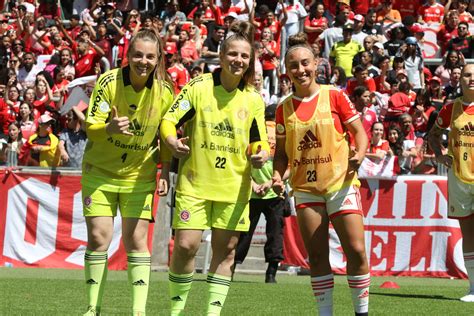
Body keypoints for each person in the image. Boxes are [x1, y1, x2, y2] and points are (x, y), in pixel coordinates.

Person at [160, 21, 269, 316]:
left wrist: (259, 155)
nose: (239, 61)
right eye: (233, 54)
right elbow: (169, 120)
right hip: (194, 185)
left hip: (234, 188)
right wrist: (171, 140)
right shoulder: (199, 88)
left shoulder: (253, 99)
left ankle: (212, 313)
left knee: (227, 251)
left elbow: (259, 142)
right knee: (185, 246)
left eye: (245, 57)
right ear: (221, 57)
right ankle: (176, 310)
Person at [272, 33, 370, 316]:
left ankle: (361, 312)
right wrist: (279, 176)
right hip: (305, 188)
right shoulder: (283, 108)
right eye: (294, 66)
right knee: (316, 256)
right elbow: (281, 153)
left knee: (356, 251)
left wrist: (360, 154)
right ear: (286, 70)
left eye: (305, 63)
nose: (300, 70)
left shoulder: (335, 95)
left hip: (341, 184)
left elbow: (360, 134)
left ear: (316, 64)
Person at [81, 29, 174, 315]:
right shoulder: (109, 82)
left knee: (135, 240)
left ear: (158, 59)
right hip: (100, 172)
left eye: (149, 56)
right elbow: (90, 127)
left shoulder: (166, 91)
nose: (143, 61)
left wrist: (166, 171)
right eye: (137, 55)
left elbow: (165, 134)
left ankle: (138, 311)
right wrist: (107, 128)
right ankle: (93, 307)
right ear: (128, 56)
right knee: (99, 238)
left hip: (139, 175)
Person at [429, 63, 474, 302]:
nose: (471, 79)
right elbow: (433, 135)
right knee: (468, 233)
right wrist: (439, 154)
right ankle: (473, 289)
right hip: (459, 177)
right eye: (467, 75)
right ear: (460, 79)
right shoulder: (452, 108)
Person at [233, 104, 286, 284]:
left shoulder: (251, 133)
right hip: (274, 192)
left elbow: (239, 163)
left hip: (253, 191)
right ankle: (271, 274)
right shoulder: (283, 136)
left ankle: (230, 268)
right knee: (275, 233)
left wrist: (253, 184)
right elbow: (291, 167)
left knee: (243, 233)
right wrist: (271, 183)